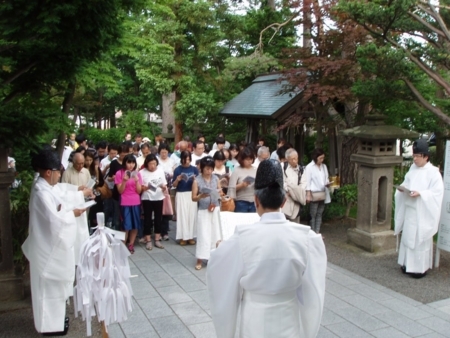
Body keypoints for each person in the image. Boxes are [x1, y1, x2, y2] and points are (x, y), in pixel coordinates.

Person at [207, 159, 327, 338]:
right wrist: (309, 331)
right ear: (284, 201)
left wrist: (220, 249)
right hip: (288, 315)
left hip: (255, 319)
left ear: (256, 200)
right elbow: (314, 294)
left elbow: (221, 273)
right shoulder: (307, 238)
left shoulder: (242, 238)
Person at [22, 149, 89, 335]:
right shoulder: (41, 192)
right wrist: (72, 213)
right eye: (58, 171)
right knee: (47, 292)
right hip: (48, 251)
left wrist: (77, 194)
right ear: (48, 172)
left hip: (49, 247)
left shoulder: (45, 187)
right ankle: (49, 327)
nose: (60, 175)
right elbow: (54, 221)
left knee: (55, 293)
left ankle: (56, 323)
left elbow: (61, 195)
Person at [395, 139, 444, 278]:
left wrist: (421, 194)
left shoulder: (433, 173)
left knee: (418, 240)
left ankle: (419, 268)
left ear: (426, 156)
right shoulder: (412, 169)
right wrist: (401, 190)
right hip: (410, 209)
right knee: (408, 238)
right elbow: (406, 182)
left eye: (418, 156)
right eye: (414, 156)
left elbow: (436, 193)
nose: (415, 159)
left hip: (422, 212)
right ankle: (406, 264)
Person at [192, 156, 221, 270]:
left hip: (215, 207)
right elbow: (193, 198)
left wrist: (220, 193)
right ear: (202, 168)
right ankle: (200, 258)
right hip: (204, 208)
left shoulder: (216, 178)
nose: (209, 171)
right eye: (207, 168)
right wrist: (200, 196)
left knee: (216, 232)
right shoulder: (197, 180)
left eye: (211, 169)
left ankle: (215, 257)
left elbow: (220, 192)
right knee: (203, 233)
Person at [115, 154, 143, 253]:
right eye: (129, 162)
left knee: (135, 224)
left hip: (136, 201)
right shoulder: (119, 173)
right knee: (125, 225)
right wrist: (124, 181)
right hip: (125, 201)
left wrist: (137, 182)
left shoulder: (137, 174)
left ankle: (131, 244)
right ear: (125, 163)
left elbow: (139, 191)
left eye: (133, 163)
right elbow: (120, 191)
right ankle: (123, 244)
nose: (131, 165)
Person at [140, 154, 167, 250]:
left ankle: (157, 239)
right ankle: (148, 240)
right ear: (146, 164)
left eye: (154, 163)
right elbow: (140, 188)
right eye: (150, 164)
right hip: (147, 197)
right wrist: (146, 187)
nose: (152, 166)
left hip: (159, 197)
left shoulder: (160, 171)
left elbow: (164, 185)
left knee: (158, 218)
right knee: (147, 218)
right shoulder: (142, 172)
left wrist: (163, 187)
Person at [172, 150, 199, 245]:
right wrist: (177, 180)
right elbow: (174, 185)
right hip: (181, 193)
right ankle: (183, 237)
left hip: (192, 193)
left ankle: (191, 236)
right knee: (182, 215)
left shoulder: (194, 169)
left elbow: (199, 183)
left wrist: (195, 180)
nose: (187, 161)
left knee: (192, 215)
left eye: (188, 159)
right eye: (185, 159)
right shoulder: (178, 170)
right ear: (181, 159)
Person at [305, 148, 331, 236]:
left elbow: (326, 178)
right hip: (314, 193)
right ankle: (312, 232)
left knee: (320, 213)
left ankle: (317, 231)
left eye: (323, 158)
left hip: (322, 192)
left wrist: (327, 183)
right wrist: (308, 194)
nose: (322, 160)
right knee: (313, 214)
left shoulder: (324, 166)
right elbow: (307, 182)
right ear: (315, 157)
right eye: (320, 158)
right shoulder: (309, 167)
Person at [228, 147, 257, 213]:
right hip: (241, 202)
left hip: (253, 201)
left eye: (251, 159)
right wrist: (241, 185)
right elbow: (231, 188)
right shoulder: (237, 170)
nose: (249, 161)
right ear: (242, 159)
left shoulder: (256, 170)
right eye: (247, 159)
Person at [281, 148, 305, 222]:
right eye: (292, 159)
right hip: (285, 198)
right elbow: (281, 181)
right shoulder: (282, 167)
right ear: (287, 159)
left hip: (296, 200)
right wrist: (288, 189)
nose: (295, 161)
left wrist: (296, 192)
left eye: (296, 158)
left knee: (295, 224)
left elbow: (303, 183)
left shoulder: (301, 169)